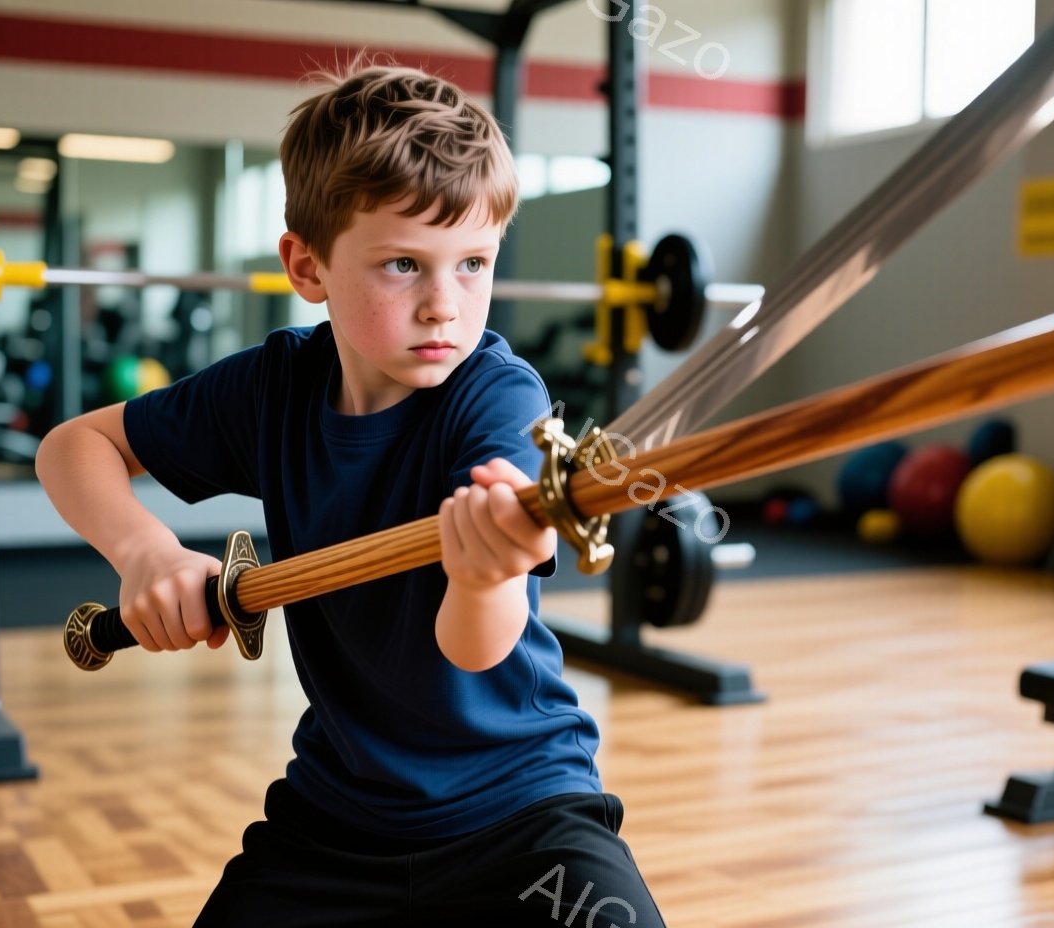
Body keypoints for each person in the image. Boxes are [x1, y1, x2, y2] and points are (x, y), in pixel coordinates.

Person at [36, 63, 665, 928]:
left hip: (520, 814)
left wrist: (487, 576)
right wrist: (144, 552)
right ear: (307, 264)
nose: (445, 306)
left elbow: (476, 651)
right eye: (404, 264)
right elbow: (75, 447)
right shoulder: (273, 388)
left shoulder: (497, 399)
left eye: (473, 263)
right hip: (337, 816)